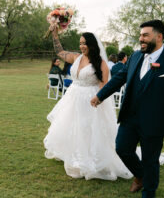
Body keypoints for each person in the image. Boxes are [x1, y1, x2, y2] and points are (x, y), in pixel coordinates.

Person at [91, 19, 164, 198]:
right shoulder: (135, 56)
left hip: (155, 121)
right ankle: (141, 175)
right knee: (122, 148)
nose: (140, 38)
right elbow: (120, 78)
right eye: (141, 35)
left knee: (151, 159)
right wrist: (100, 95)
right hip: (130, 116)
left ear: (159, 37)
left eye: (145, 35)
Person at [44, 28, 132, 181]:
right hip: (73, 98)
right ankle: (74, 155)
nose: (82, 46)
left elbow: (105, 84)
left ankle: (90, 159)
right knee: (73, 126)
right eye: (80, 43)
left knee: (88, 129)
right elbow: (60, 52)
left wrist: (99, 98)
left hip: (91, 100)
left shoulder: (101, 63)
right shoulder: (76, 57)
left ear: (92, 44)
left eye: (84, 43)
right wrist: (54, 34)